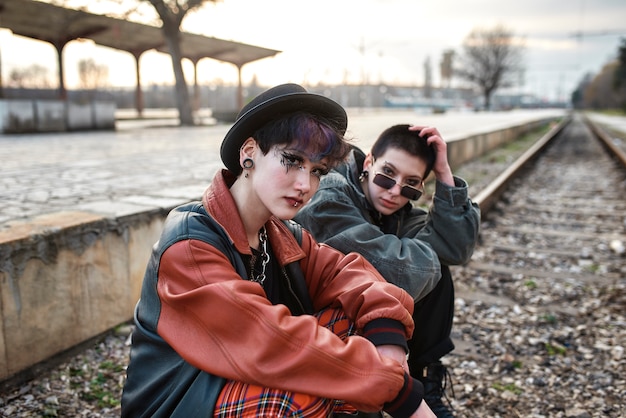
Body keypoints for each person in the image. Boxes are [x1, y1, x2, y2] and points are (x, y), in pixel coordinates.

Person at [121, 83, 436, 418]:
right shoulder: (189, 245)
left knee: (358, 322)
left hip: (232, 381)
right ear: (249, 153)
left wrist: (388, 342)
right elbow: (267, 341)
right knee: (298, 395)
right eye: (292, 160)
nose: (305, 185)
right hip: (178, 401)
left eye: (317, 171)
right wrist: (401, 392)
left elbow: (352, 275)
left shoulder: (282, 236)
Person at [294, 124, 481, 417]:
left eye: (410, 185)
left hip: (356, 316)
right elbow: (385, 272)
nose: (394, 191)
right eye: (387, 175)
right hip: (309, 322)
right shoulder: (328, 193)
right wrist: (428, 251)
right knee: (428, 265)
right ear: (369, 162)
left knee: (436, 269)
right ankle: (395, 389)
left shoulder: (396, 213)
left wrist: (444, 174)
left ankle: (421, 381)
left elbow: (458, 248)